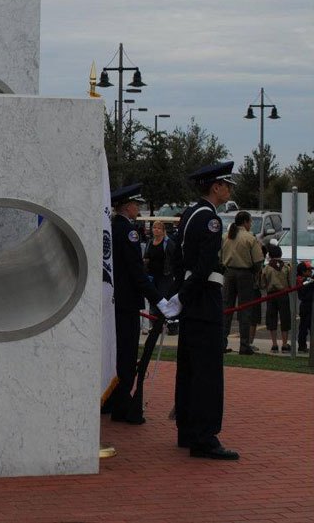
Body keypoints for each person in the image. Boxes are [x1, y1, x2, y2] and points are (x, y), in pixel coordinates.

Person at [174, 161, 239, 460]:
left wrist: (179, 295)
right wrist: (186, 295)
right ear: (216, 187)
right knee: (207, 372)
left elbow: (179, 259)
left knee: (188, 367)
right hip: (203, 298)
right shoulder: (212, 220)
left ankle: (187, 431)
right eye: (227, 184)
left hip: (191, 298)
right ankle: (205, 437)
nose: (229, 189)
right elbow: (203, 266)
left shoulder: (190, 214)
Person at [104, 184, 172, 424]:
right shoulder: (129, 232)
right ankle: (122, 404)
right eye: (136, 204)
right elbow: (136, 273)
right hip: (126, 301)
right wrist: (159, 300)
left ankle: (111, 399)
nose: (138, 208)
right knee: (126, 353)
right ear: (127, 206)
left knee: (114, 351)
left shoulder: (110, 228)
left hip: (111, 301)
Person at [221, 210, 265, 355]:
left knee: (227, 308)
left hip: (228, 273)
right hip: (245, 274)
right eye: (250, 221)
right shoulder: (249, 238)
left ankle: (222, 342)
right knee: (245, 309)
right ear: (245, 222)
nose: (250, 224)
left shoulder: (226, 236)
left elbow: (219, 256)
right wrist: (254, 272)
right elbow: (258, 260)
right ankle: (244, 345)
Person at [261, 245, 294, 352]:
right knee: (285, 318)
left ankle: (274, 344)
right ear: (281, 254)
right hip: (283, 294)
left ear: (270, 255)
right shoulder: (286, 267)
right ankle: (284, 344)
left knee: (272, 318)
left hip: (271, 295)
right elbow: (291, 284)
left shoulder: (267, 268)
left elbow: (262, 284)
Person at [296, 261, 313, 352]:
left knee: (305, 327)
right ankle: (302, 346)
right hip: (307, 305)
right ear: (303, 271)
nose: (311, 272)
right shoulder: (303, 280)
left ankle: (302, 346)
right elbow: (306, 284)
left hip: (306, 305)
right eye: (309, 270)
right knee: (304, 327)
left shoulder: (305, 280)